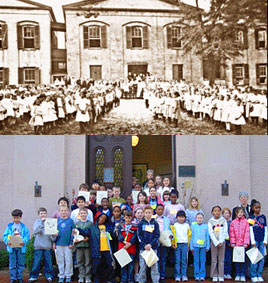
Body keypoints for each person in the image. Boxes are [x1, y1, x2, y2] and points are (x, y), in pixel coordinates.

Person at [3, 209, 30, 283]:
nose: (15, 219)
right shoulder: (9, 226)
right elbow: (5, 236)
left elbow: (27, 236)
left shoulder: (24, 227)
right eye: (14, 218)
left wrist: (24, 242)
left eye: (17, 218)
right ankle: (13, 278)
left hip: (21, 248)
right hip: (12, 248)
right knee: (12, 264)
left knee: (20, 263)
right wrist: (7, 241)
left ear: (20, 217)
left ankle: (19, 277)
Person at [28, 207, 55, 282]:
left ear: (46, 214)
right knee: (36, 262)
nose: (43, 215)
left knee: (49, 262)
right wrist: (42, 223)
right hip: (38, 246)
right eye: (41, 213)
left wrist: (54, 235)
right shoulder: (37, 222)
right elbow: (36, 231)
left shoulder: (50, 222)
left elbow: (52, 237)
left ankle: (49, 276)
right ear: (38, 215)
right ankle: (33, 276)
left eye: (44, 213)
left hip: (47, 246)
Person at [89, 213, 115, 283]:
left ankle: (110, 279)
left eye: (104, 219)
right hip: (97, 250)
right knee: (96, 266)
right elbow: (85, 232)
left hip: (106, 249)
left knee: (109, 265)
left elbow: (114, 235)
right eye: (101, 217)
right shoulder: (93, 228)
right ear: (98, 218)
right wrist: (77, 230)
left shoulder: (108, 227)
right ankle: (96, 279)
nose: (102, 219)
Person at [137, 205, 160, 283]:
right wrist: (144, 245)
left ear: (152, 213)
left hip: (153, 248)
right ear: (144, 213)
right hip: (143, 249)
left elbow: (157, 235)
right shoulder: (141, 223)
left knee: (154, 266)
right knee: (142, 266)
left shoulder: (155, 223)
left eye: (149, 213)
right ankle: (141, 280)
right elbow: (139, 235)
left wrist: (151, 244)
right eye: (146, 213)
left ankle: (155, 280)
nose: (148, 214)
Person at [53, 206, 75, 283]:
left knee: (68, 260)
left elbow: (73, 233)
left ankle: (68, 276)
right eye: (62, 210)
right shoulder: (57, 221)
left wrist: (71, 242)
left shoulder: (70, 221)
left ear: (67, 212)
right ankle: (61, 276)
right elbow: (53, 234)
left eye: (65, 210)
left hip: (68, 244)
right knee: (60, 261)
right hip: (59, 244)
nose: (63, 212)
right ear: (59, 212)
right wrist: (54, 242)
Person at [208, 206, 228, 282]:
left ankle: (221, 275)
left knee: (221, 260)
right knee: (214, 259)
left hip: (222, 242)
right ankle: (214, 275)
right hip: (214, 243)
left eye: (219, 211)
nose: (217, 212)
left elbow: (225, 232)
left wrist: (221, 241)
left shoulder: (223, 220)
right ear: (212, 212)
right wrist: (216, 242)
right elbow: (210, 232)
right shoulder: (210, 221)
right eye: (215, 211)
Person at [229, 207, 250, 282]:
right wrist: (233, 242)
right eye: (238, 212)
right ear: (236, 213)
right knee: (237, 260)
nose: (240, 214)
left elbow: (247, 233)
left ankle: (243, 274)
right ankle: (238, 274)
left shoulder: (246, 222)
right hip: (236, 245)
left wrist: (246, 243)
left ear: (244, 213)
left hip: (243, 245)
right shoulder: (233, 222)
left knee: (243, 261)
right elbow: (232, 233)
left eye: (241, 212)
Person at [249, 201, 267, 282]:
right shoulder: (251, 218)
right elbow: (250, 230)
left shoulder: (263, 217)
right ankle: (253, 275)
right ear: (252, 208)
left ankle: (259, 274)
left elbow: (266, 229)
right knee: (254, 258)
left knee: (261, 258)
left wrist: (265, 240)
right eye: (256, 208)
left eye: (259, 207)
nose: (258, 209)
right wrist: (252, 241)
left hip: (262, 240)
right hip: (255, 240)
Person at [117, 210, 138, 283]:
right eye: (126, 217)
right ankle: (123, 279)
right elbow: (119, 235)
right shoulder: (120, 226)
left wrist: (130, 243)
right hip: (122, 247)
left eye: (129, 218)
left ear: (132, 218)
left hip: (131, 248)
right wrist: (124, 242)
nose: (128, 219)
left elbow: (135, 237)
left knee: (131, 265)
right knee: (123, 265)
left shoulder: (135, 226)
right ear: (123, 217)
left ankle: (130, 279)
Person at [74, 207, 93, 283]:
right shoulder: (77, 224)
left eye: (84, 213)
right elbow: (74, 233)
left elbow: (91, 233)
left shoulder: (90, 223)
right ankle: (81, 276)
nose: (83, 214)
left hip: (87, 245)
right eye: (81, 213)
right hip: (79, 245)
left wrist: (88, 238)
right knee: (79, 261)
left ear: (87, 214)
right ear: (79, 214)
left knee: (88, 262)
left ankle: (88, 277)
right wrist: (75, 239)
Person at [190, 212, 210, 281]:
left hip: (203, 246)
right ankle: (196, 275)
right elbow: (191, 236)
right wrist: (191, 247)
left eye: (201, 218)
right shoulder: (193, 226)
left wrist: (207, 246)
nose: (199, 219)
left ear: (203, 219)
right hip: (195, 246)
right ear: (196, 219)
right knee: (196, 261)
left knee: (203, 261)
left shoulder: (205, 226)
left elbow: (207, 236)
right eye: (198, 218)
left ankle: (202, 275)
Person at [155, 204, 172, 282]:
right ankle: (157, 275)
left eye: (162, 209)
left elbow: (169, 230)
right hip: (156, 241)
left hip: (164, 241)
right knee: (157, 259)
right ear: (156, 210)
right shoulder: (153, 219)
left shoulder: (167, 220)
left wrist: (171, 236)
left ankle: (162, 275)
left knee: (163, 258)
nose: (160, 211)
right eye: (158, 209)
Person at [174, 210, 191, 282]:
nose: (181, 219)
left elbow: (189, 236)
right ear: (177, 217)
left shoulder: (187, 225)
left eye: (182, 217)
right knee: (177, 260)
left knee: (184, 260)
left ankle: (184, 275)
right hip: (177, 244)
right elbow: (173, 236)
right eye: (179, 217)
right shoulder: (175, 225)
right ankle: (177, 275)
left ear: (185, 218)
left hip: (185, 244)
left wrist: (189, 245)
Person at [222, 208, 232, 280]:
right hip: (223, 242)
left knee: (229, 258)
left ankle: (228, 273)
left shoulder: (232, 223)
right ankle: (223, 273)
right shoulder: (221, 222)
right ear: (223, 214)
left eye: (228, 213)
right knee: (224, 259)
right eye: (225, 213)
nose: (227, 214)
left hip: (230, 243)